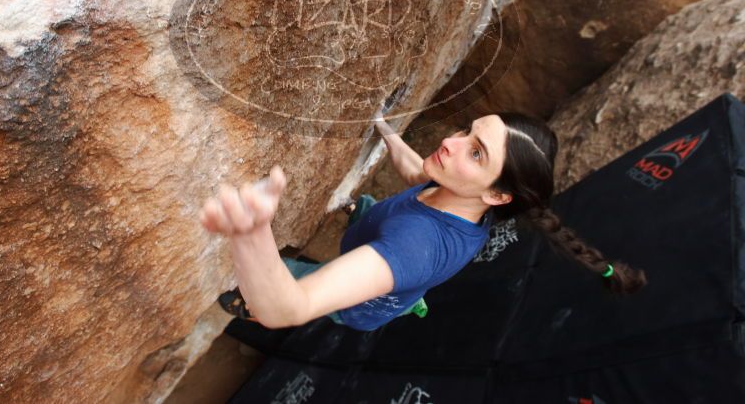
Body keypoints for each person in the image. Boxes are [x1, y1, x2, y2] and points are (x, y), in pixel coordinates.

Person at [199, 110, 648, 331]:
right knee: (375, 211)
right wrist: (386, 129)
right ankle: (360, 214)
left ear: (496, 194)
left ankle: (245, 304)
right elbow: (418, 173)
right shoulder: (462, 194)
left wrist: (251, 233)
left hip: (366, 298)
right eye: (468, 131)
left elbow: (290, 308)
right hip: (393, 246)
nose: (452, 142)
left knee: (291, 280)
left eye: (476, 153)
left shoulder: (415, 245)